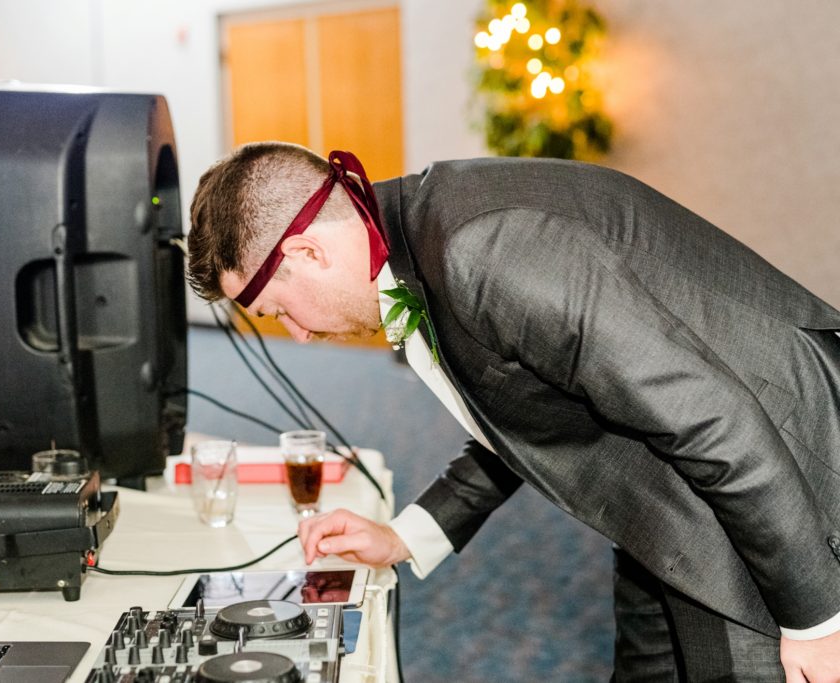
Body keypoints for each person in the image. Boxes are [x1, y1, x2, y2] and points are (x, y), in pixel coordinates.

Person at [186, 141, 840, 681]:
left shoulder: (481, 247)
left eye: (278, 309)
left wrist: (819, 621)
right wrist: (406, 536)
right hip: (664, 497)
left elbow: (712, 417)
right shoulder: (420, 236)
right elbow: (523, 411)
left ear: (307, 253)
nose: (298, 334)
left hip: (775, 479)